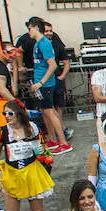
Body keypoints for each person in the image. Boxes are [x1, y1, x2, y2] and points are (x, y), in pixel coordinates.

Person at [0, 99, 56, 211]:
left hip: (31, 173)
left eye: (10, 113)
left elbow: (43, 148)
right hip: (12, 174)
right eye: (4, 113)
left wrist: (42, 152)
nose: (6, 116)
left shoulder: (32, 129)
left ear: (19, 114)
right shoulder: (2, 131)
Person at [32, 20, 71, 153]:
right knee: (45, 111)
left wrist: (41, 82)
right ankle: (53, 140)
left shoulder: (44, 43)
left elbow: (53, 65)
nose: (29, 32)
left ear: (36, 28)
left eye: (30, 28)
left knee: (50, 111)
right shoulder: (38, 43)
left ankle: (63, 143)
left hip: (45, 84)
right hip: (40, 82)